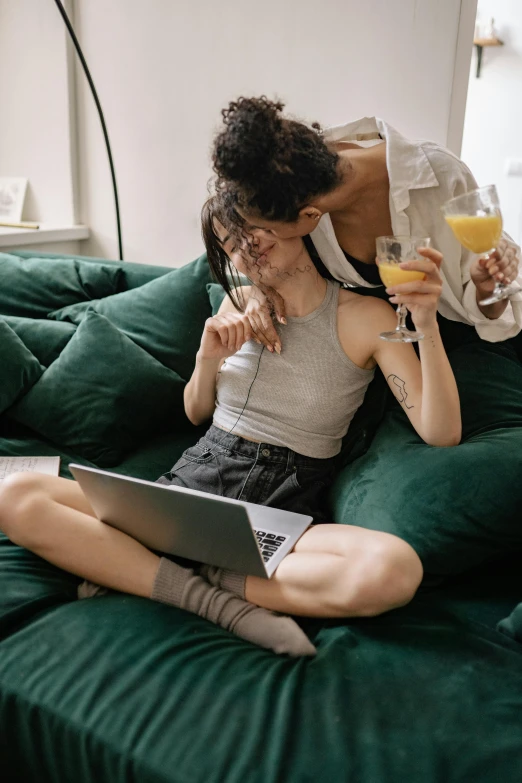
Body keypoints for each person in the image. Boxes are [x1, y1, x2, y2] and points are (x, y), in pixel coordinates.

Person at [0, 196, 461, 658]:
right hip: (194, 480)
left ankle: (176, 568)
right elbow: (195, 413)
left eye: (252, 227)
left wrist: (426, 324)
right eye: (230, 243)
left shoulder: (367, 317)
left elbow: (441, 432)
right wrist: (207, 358)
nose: (246, 247)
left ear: (296, 219)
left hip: (284, 499)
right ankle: (210, 600)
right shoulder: (237, 300)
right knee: (16, 494)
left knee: (392, 569)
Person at [211, 97, 522, 355]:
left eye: (271, 229)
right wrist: (258, 291)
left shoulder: (437, 177)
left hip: (473, 346)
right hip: (389, 353)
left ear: (309, 216)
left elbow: (494, 309)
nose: (264, 239)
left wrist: (487, 286)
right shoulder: (287, 183)